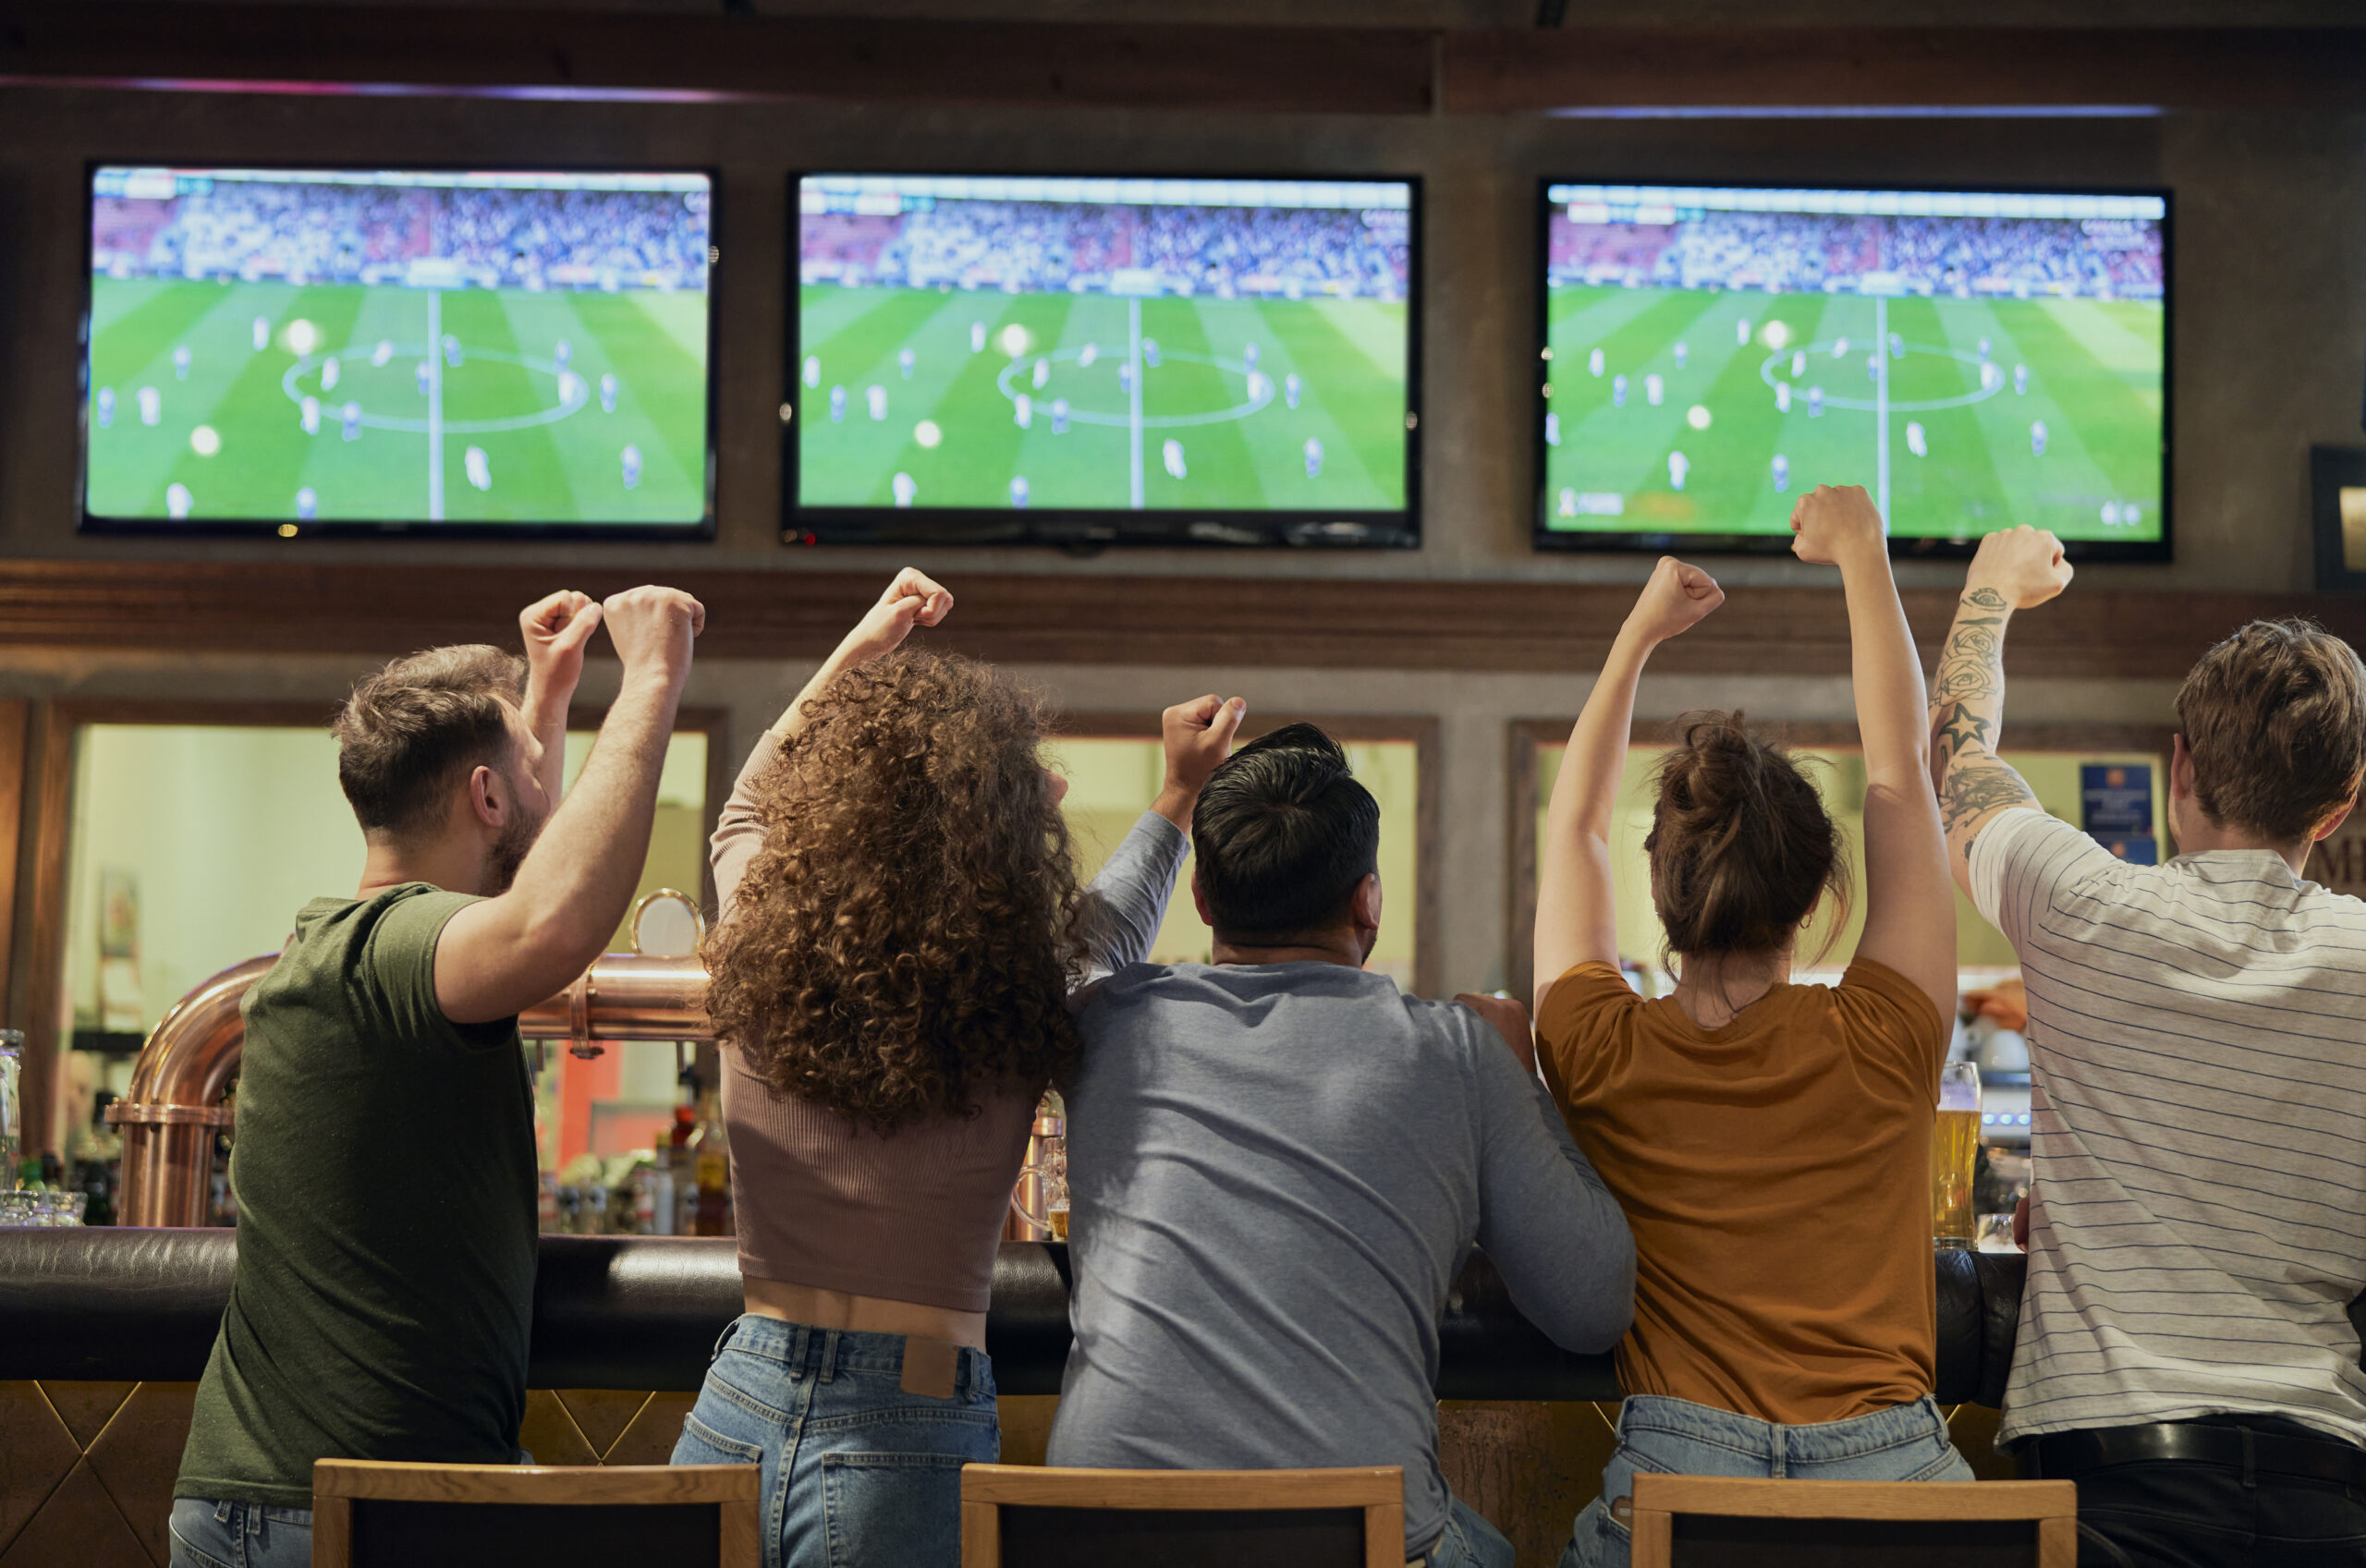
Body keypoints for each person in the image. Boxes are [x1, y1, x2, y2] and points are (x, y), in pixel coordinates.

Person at [675, 569, 1239, 1568]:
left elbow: (750, 796)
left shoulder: (759, 912)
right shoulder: (1019, 980)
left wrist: (862, 645)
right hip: (912, 1419)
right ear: (1011, 832)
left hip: (739, 1397)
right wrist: (1180, 790)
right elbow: (1115, 923)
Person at [169, 585, 706, 1568]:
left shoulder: (352, 940)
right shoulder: (392, 949)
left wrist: (544, 693)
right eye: (532, 774)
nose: (545, 788)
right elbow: (550, 917)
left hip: (307, 1502)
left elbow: (502, 873)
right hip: (325, 1514)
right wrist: (654, 677)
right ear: (488, 798)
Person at [1047, 722, 1635, 1568]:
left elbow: (1080, 953)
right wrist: (1526, 1082)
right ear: (1369, 901)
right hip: (1354, 1541)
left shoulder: (1104, 1021)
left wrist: (1176, 798)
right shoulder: (1453, 1053)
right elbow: (1593, 1305)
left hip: (1097, 1538)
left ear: (1204, 902)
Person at [1534, 484, 1971, 1568]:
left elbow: (1576, 826)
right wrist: (1862, 554)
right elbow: (1900, 777)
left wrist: (1638, 635)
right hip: (1903, 1493)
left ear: (1663, 894)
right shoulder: (1887, 1035)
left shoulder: (1595, 1046)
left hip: (1679, 1492)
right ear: (1821, 899)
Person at [1928, 526, 2366, 1567]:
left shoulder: (2078, 901)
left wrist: (1990, 583)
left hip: (2109, 1490)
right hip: (2326, 1491)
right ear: (2340, 803)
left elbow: (1953, 754)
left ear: (2180, 764)